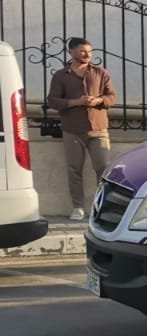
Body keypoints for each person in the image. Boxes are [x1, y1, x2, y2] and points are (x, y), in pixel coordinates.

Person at [45, 37, 116, 220]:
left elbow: (112, 97)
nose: (87, 54)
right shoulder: (61, 75)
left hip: (98, 129)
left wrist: (98, 100)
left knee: (103, 168)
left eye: (90, 51)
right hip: (72, 129)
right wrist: (76, 102)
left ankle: (102, 208)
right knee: (74, 169)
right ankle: (77, 207)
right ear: (71, 52)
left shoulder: (100, 72)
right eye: (83, 51)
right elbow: (52, 100)